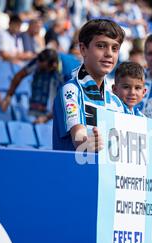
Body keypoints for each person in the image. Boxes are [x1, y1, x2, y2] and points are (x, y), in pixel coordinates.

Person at [52, 18, 127, 151]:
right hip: (74, 171)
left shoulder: (116, 102)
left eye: (114, 48)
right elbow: (78, 135)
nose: (109, 53)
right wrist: (87, 142)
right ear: (83, 49)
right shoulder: (71, 90)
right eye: (101, 46)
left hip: (106, 171)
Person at [0, 48, 63, 124]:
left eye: (43, 68)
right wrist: (9, 96)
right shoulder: (39, 61)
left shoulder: (66, 74)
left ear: (53, 66)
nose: (39, 68)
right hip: (35, 105)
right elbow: (19, 76)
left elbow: (63, 102)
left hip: (54, 112)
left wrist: (47, 118)